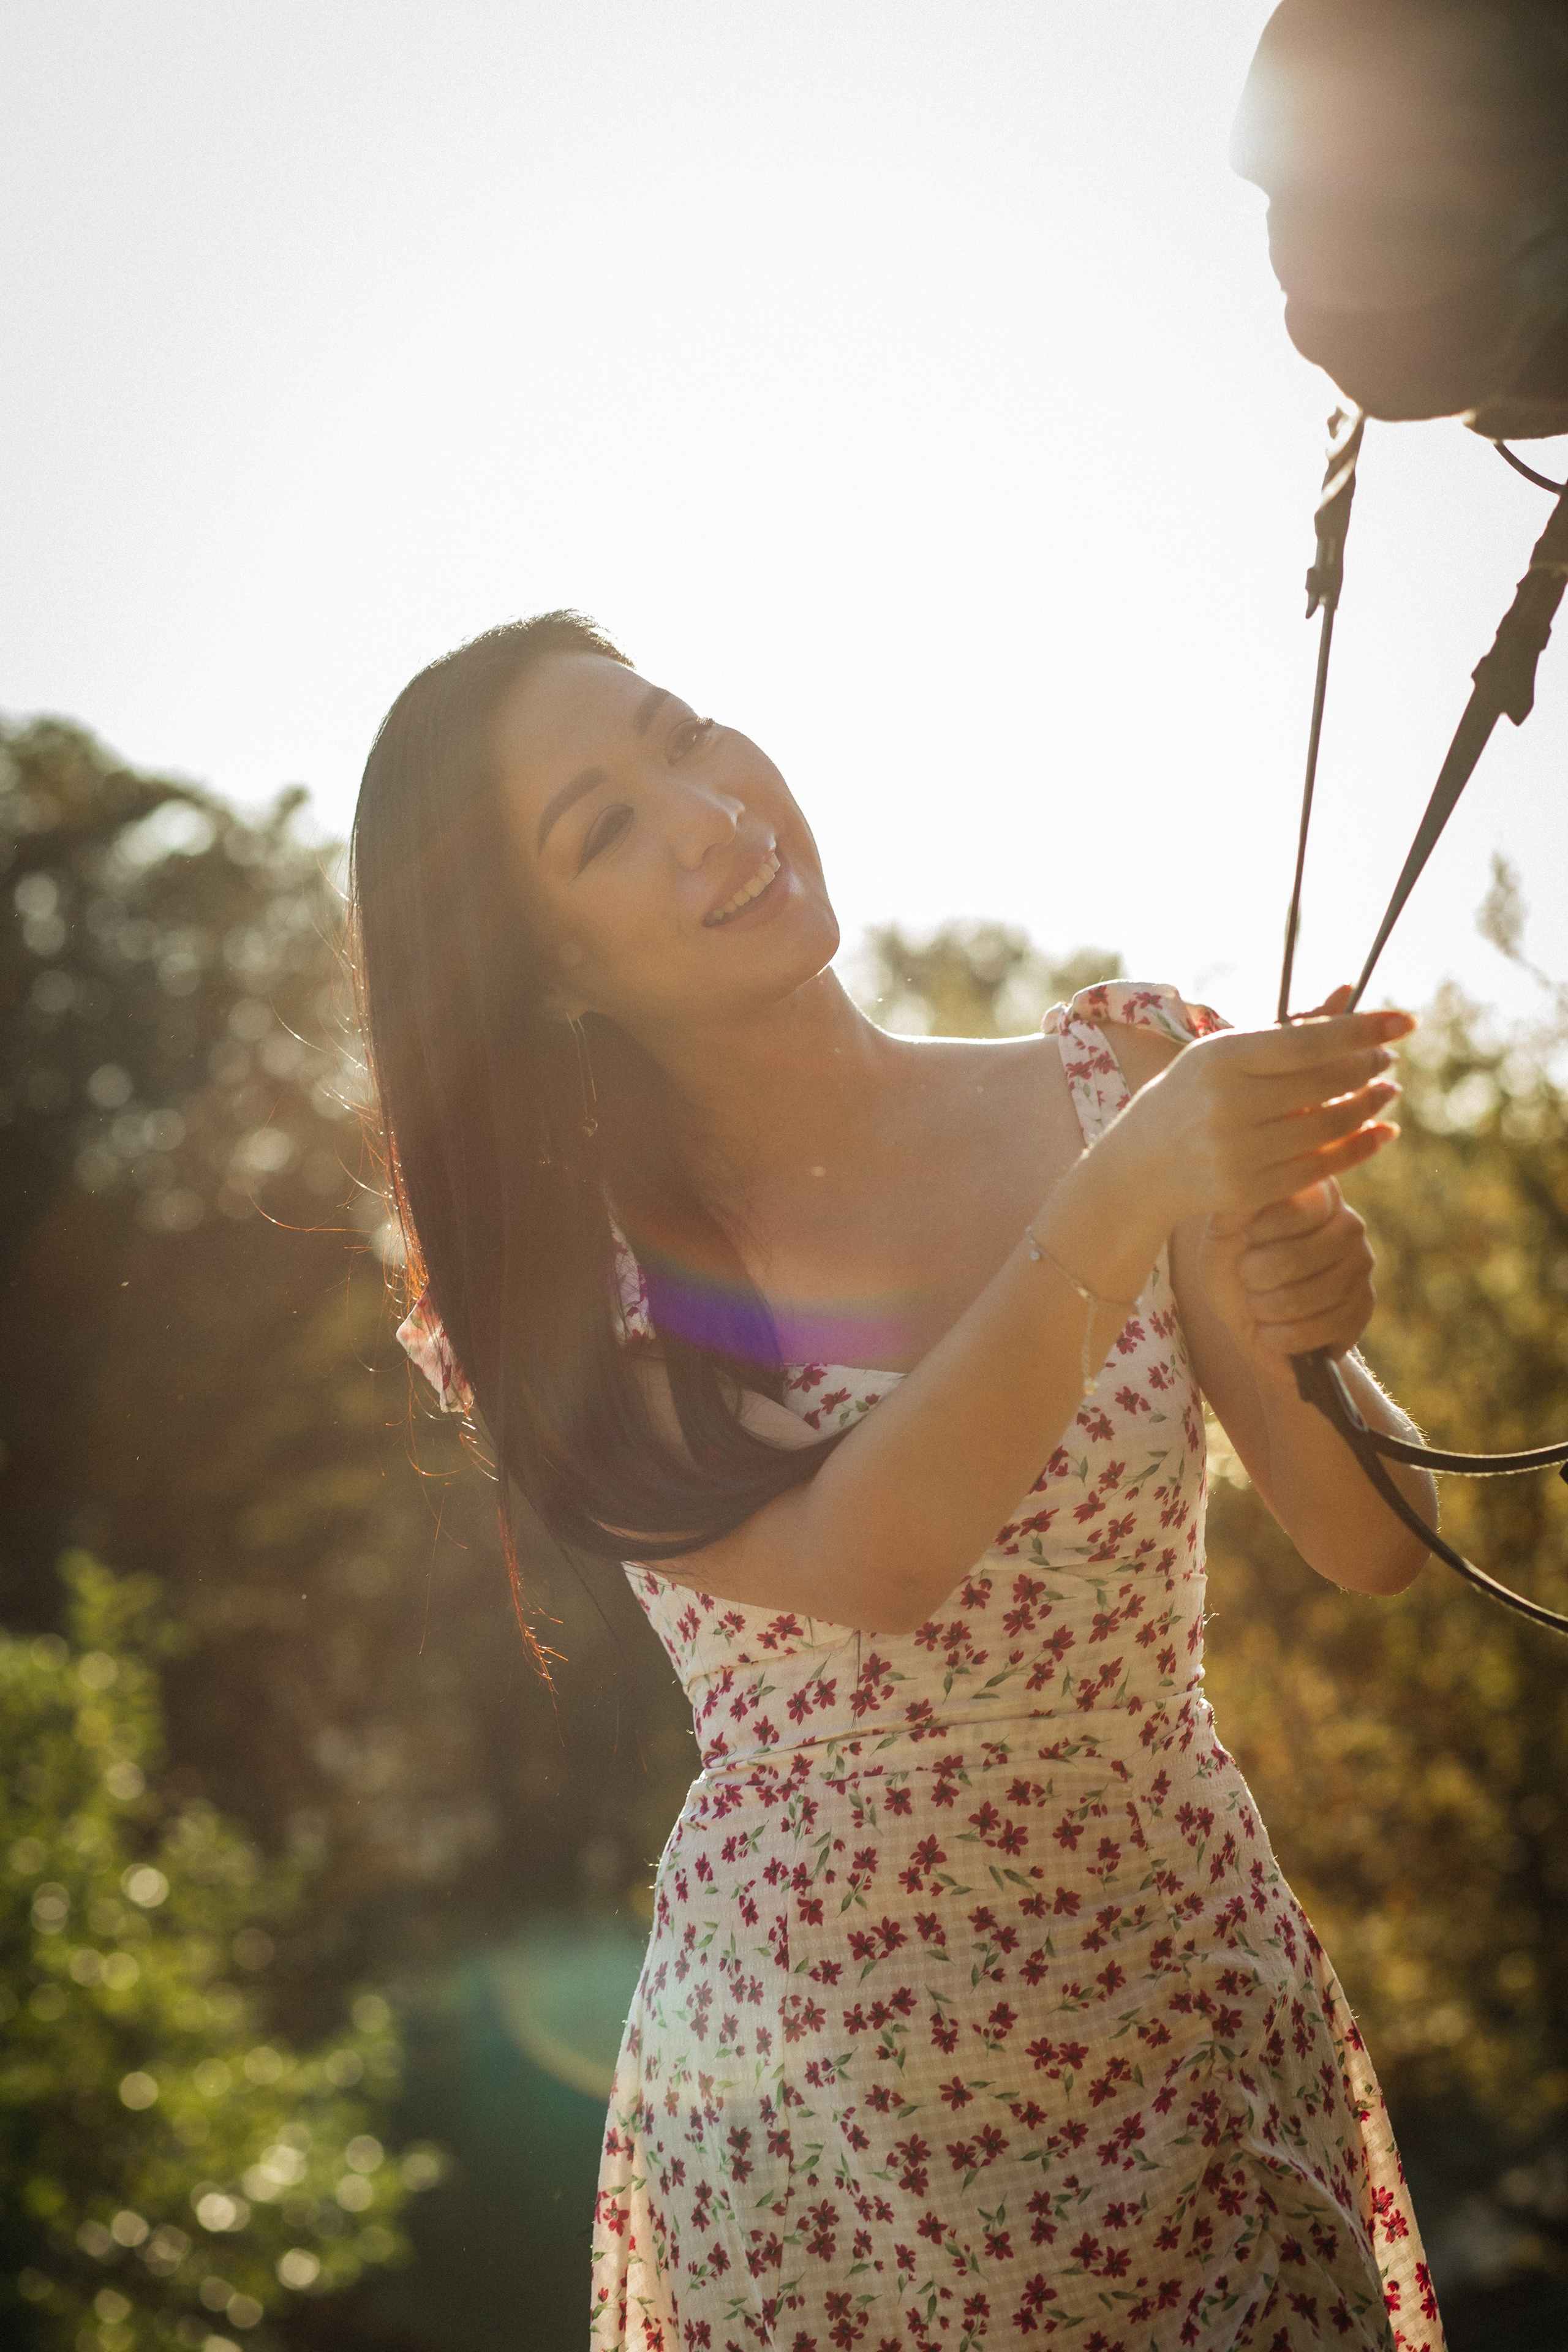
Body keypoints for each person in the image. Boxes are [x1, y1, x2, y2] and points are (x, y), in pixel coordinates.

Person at [350, 610, 1445, 2352]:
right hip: (826, 2117)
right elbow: (882, 1559)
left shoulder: (1127, 1081)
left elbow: (1373, 1547)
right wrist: (1130, 1196)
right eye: (604, 827)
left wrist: (1310, 1295)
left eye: (684, 731)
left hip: (1188, 2013)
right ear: (541, 965)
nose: (707, 809)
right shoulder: (574, 1288)